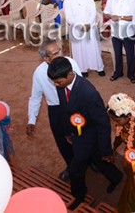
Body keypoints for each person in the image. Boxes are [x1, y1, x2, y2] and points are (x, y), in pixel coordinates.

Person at [47, 57, 123, 210]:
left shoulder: (89, 93)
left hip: (89, 136)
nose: (55, 85)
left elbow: (103, 123)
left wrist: (106, 149)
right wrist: (68, 131)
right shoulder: (62, 85)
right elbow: (64, 110)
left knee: (75, 169)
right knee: (99, 160)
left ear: (70, 76)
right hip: (76, 133)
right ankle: (117, 177)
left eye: (58, 82)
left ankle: (79, 195)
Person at [26, 40, 81, 180]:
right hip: (56, 109)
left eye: (60, 51)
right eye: (55, 54)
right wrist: (31, 119)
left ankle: (90, 160)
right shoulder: (39, 73)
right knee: (63, 142)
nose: (61, 55)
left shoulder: (70, 63)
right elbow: (35, 97)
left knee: (82, 135)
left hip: (74, 103)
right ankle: (71, 166)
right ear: (45, 58)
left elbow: (80, 85)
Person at [63, 0, 105, 77]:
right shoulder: (68, 0)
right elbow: (69, 17)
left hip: (90, 27)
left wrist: (89, 24)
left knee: (93, 48)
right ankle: (83, 69)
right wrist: (80, 26)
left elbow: (93, 13)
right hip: (77, 29)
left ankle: (99, 67)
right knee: (79, 50)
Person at [104, 0, 135, 83]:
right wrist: (110, 16)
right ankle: (118, 72)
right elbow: (105, 13)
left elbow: (133, 17)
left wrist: (120, 17)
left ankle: (131, 74)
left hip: (128, 32)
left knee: (130, 54)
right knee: (117, 53)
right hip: (115, 32)